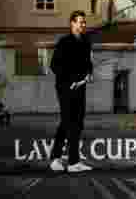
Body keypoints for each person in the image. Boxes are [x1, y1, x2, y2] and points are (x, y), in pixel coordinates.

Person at [48, 10, 94, 173]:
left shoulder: (86, 42)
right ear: (72, 23)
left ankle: (67, 161)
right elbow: (54, 66)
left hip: (80, 88)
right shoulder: (64, 42)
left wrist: (89, 73)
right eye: (80, 22)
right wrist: (69, 82)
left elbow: (88, 62)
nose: (83, 25)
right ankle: (62, 159)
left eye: (84, 22)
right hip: (65, 88)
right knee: (69, 122)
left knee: (77, 122)